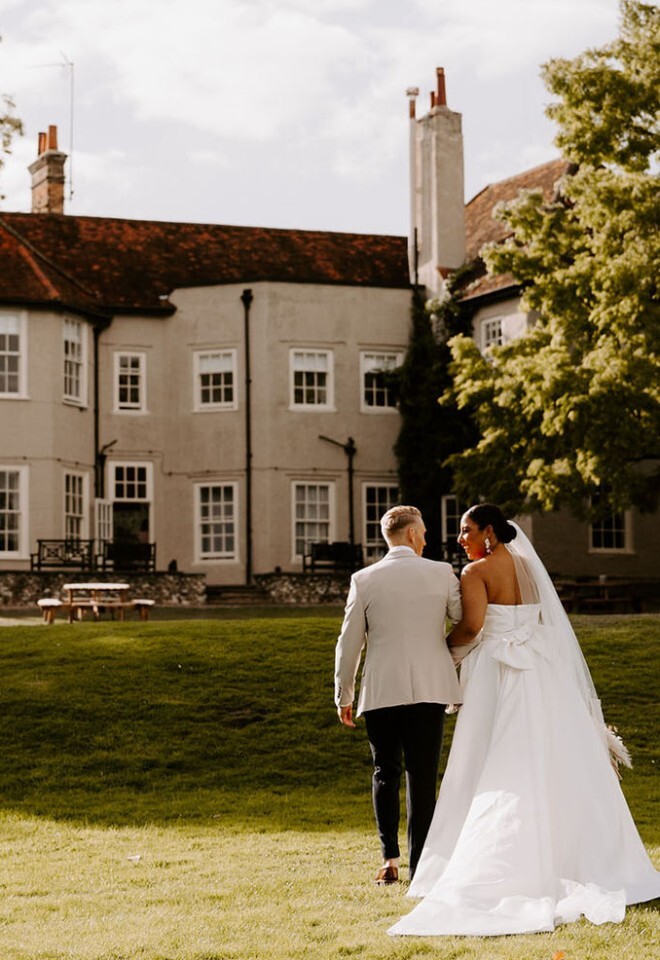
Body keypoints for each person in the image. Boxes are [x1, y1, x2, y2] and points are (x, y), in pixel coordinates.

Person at [389, 504, 660, 936]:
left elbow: (473, 627)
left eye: (467, 531)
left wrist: (442, 651)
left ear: (490, 533)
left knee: (491, 761)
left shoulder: (474, 574)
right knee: (555, 759)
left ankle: (495, 865)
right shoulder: (529, 569)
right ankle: (586, 859)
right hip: (542, 673)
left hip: (497, 674)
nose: (461, 538)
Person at [334, 505, 462, 886]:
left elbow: (349, 641)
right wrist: (445, 659)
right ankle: (420, 866)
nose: (425, 538)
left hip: (381, 689)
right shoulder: (441, 573)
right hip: (431, 688)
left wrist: (345, 693)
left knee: (384, 773)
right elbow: (466, 622)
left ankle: (389, 859)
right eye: (422, 532)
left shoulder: (364, 578)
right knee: (422, 778)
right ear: (409, 534)